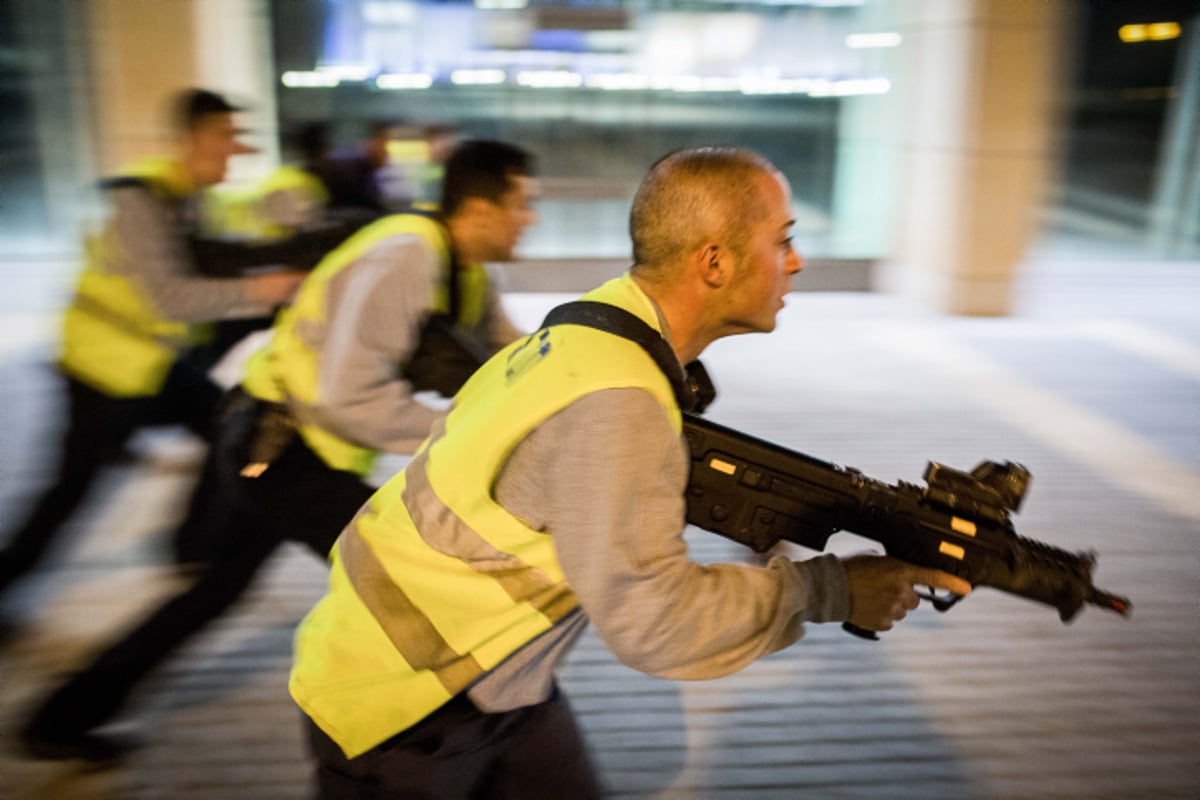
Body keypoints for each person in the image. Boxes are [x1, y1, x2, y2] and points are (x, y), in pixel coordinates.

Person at [286, 147, 974, 798]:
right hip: (402, 707)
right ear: (713, 261)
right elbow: (653, 621)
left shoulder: (594, 326)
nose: (795, 262)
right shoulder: (619, 401)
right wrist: (830, 591)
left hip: (497, 678)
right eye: (782, 240)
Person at [18, 139, 539, 764]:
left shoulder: (468, 271)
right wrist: (459, 433)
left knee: (216, 588)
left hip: (289, 447)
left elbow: (513, 359)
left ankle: (60, 717)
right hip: (280, 448)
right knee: (417, 583)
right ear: (481, 209)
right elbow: (343, 397)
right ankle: (437, 753)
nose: (529, 219)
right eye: (521, 204)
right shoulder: (404, 256)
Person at [0, 88, 304, 617]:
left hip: (152, 364)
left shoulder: (196, 199)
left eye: (239, 137)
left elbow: (234, 250)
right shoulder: (142, 197)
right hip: (103, 368)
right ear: (188, 139)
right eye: (224, 137)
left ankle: (191, 550)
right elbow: (172, 295)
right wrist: (265, 290)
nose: (237, 149)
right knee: (67, 495)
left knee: (227, 426)